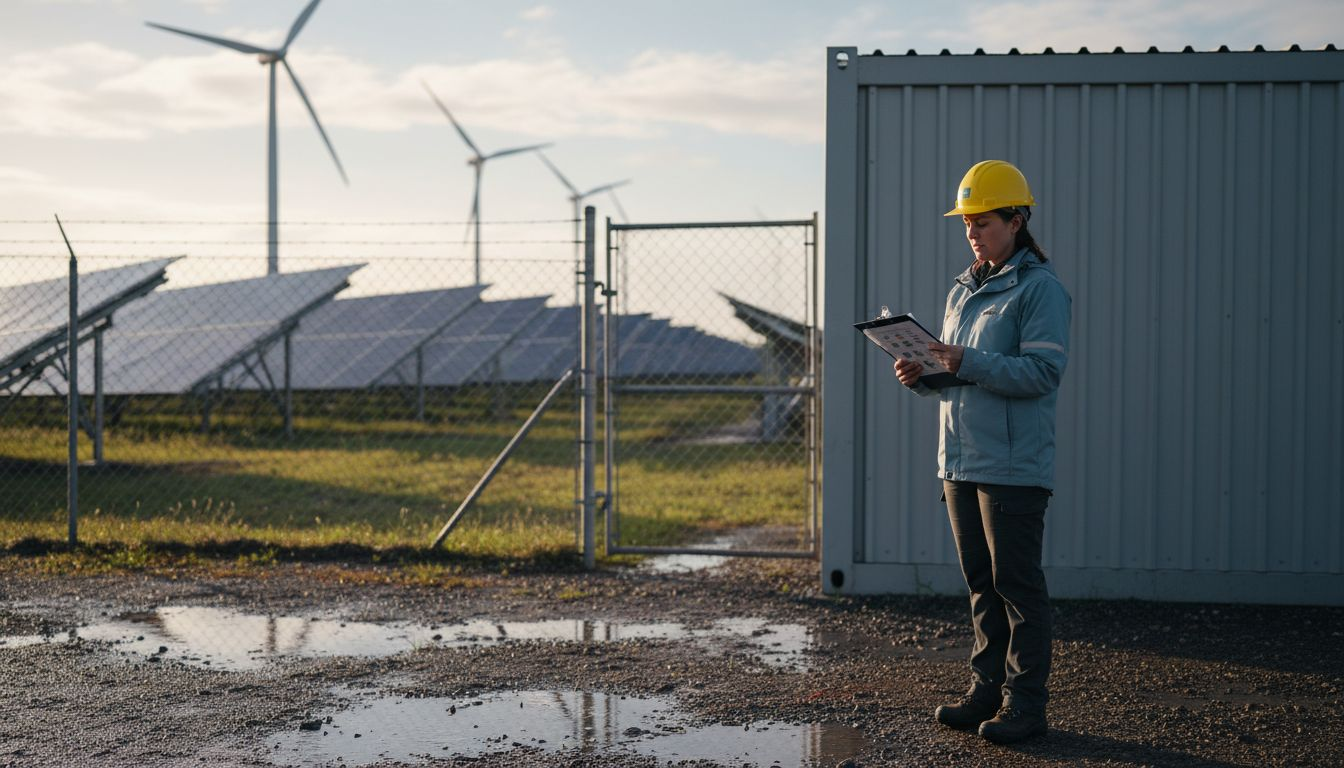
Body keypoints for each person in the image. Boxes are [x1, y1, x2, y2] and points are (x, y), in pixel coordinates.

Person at [894, 159, 1071, 744]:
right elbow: (963, 376)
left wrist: (962, 359)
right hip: (960, 462)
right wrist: (922, 375)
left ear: (1017, 220)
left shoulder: (1039, 288)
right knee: (981, 585)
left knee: (1017, 586)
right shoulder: (962, 289)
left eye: (984, 221)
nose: (972, 231)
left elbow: (1042, 373)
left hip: (1013, 467)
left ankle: (1026, 706)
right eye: (967, 222)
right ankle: (986, 693)